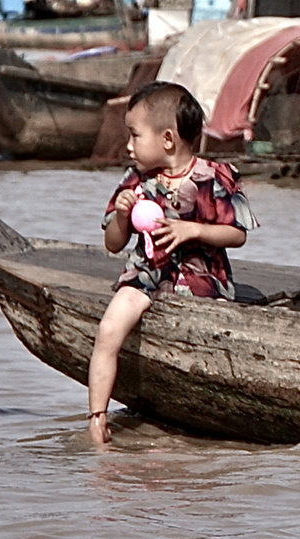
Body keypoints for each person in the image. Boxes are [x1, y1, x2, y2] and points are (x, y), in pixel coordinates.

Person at [85, 82, 255, 443]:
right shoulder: (135, 182)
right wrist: (120, 216)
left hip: (203, 281)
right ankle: (97, 417)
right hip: (147, 274)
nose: (128, 146)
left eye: (134, 135)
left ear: (167, 139)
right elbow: (113, 245)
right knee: (109, 329)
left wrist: (192, 230)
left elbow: (236, 233)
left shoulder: (214, 177)